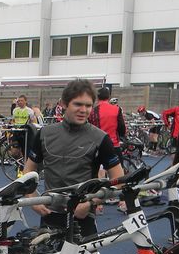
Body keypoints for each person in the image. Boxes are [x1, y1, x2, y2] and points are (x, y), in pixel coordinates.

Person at [23, 79, 124, 239]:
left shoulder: (100, 138)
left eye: (88, 105)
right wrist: (32, 199)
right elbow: (28, 170)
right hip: (51, 214)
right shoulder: (44, 134)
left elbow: (119, 179)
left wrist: (92, 202)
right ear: (64, 104)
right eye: (78, 104)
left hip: (83, 216)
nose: (84, 110)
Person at [89, 86, 126, 160]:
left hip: (98, 145)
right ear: (109, 97)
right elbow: (121, 126)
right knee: (118, 169)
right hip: (113, 144)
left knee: (98, 169)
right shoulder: (116, 109)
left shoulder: (92, 111)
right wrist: (122, 135)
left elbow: (89, 128)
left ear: (97, 97)